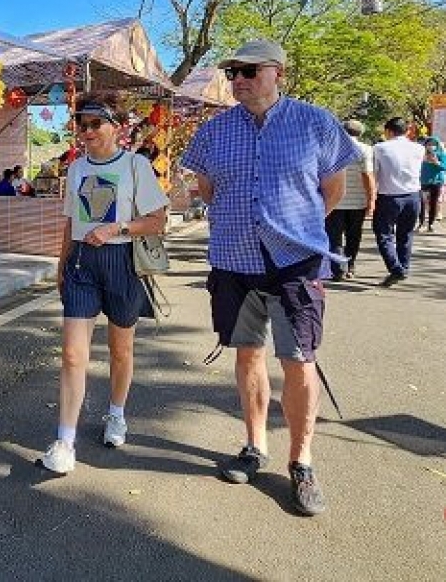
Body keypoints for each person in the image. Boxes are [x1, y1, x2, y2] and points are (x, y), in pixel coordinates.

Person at [181, 39, 358, 517]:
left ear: (277, 72)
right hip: (233, 261)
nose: (237, 78)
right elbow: (206, 189)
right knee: (247, 355)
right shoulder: (214, 132)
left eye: (248, 70)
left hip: (296, 263)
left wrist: (294, 228)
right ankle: (253, 445)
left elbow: (334, 189)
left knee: (299, 360)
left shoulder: (315, 122)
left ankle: (301, 461)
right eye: (232, 71)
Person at [36, 91, 168, 475]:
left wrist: (118, 227)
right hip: (81, 263)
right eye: (81, 123)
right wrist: (61, 265)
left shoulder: (135, 166)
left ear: (117, 127)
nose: (87, 130)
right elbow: (69, 223)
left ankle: (116, 414)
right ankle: (65, 440)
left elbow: (157, 221)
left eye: (96, 123)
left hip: (122, 261)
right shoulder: (76, 168)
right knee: (73, 354)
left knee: (120, 350)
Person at [371, 117, 424, 286]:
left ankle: (396, 269)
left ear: (388, 131)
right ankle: (403, 268)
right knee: (406, 235)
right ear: (407, 131)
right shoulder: (419, 148)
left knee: (384, 234)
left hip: (389, 196)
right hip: (413, 196)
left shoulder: (379, 148)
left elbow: (375, 173)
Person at [324, 120, 375, 280]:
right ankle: (350, 266)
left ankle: (338, 269)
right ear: (360, 133)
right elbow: (367, 175)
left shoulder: (330, 148)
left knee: (334, 236)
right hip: (357, 202)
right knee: (354, 235)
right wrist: (371, 199)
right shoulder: (365, 149)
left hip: (334, 200)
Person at [418, 136, 445, 232]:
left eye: (433, 144)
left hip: (436, 182)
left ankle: (431, 224)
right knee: (422, 203)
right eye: (429, 144)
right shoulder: (421, 155)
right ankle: (421, 223)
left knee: (433, 203)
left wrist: (437, 162)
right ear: (425, 145)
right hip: (423, 182)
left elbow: (444, 167)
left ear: (437, 145)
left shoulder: (441, 154)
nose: (431, 146)